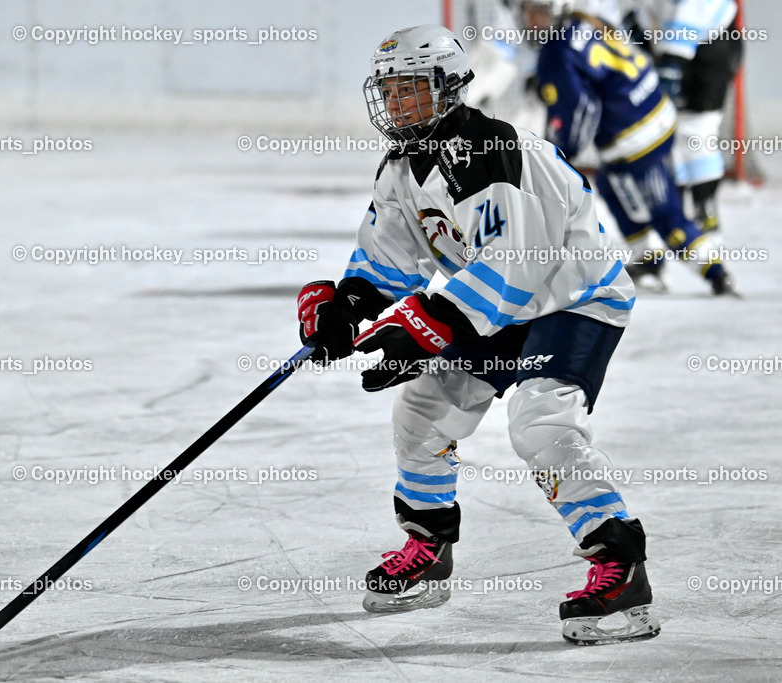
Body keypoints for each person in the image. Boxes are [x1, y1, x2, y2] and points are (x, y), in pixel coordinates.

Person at [296, 24, 659, 644]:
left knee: (541, 424)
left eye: (412, 89)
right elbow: (388, 255)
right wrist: (348, 301)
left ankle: (621, 571)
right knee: (423, 411)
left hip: (570, 302)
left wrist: (432, 325)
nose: (399, 104)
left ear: (450, 87)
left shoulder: (496, 153)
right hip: (493, 307)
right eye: (390, 91)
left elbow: (519, 262)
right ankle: (428, 552)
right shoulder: (404, 165)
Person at [516, 0, 736, 295]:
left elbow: (578, 110)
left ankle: (716, 272)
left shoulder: (555, 52)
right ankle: (649, 259)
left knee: (665, 214)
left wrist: (557, 155)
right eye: (529, 12)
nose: (532, 21)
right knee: (609, 183)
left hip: (635, 135)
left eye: (539, 13)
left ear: (556, 10)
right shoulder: (583, 19)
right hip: (653, 108)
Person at [623, 0, 743, 235]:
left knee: (698, 128)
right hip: (684, 49)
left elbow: (689, 13)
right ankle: (676, 208)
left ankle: (705, 209)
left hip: (710, 50)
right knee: (671, 127)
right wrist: (638, 27)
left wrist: (671, 61)